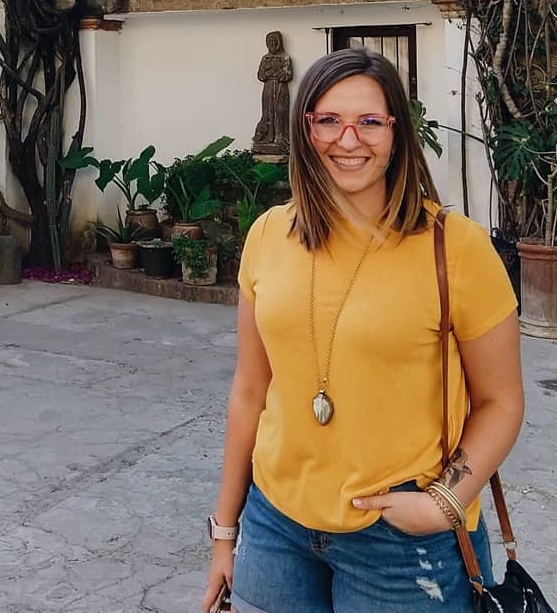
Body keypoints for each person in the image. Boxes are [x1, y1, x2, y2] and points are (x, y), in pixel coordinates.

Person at [202, 48, 522, 613]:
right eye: (329, 120)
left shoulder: (457, 247)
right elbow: (251, 391)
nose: (348, 140)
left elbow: (500, 402)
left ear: (397, 131)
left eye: (369, 122)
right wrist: (226, 531)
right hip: (275, 525)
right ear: (306, 130)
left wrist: (445, 502)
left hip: (401, 542)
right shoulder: (268, 236)